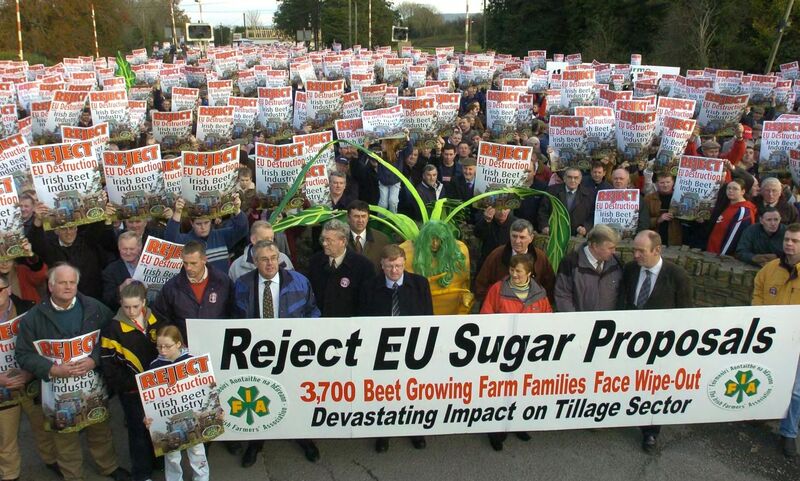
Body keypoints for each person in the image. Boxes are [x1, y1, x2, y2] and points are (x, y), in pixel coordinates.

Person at [15, 264, 131, 481]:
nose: (68, 287)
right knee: (64, 437)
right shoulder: (34, 318)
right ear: (50, 286)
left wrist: (93, 359)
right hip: (57, 393)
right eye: (62, 282)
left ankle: (108, 467)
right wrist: (51, 369)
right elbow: (22, 353)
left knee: (100, 430)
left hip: (93, 388)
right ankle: (73, 476)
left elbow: (112, 335)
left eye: (72, 282)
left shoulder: (94, 308)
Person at [233, 240, 320, 467]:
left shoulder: (300, 282)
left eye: (273, 258)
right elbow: (233, 319)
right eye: (264, 259)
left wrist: (305, 335)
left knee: (295, 395)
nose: (270, 263)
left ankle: (303, 437)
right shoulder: (242, 285)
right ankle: (256, 442)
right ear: (255, 261)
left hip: (292, 353)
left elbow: (313, 310)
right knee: (258, 395)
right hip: (256, 355)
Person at [619, 231, 693, 454]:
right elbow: (623, 301)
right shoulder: (630, 270)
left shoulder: (678, 276)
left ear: (657, 250)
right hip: (630, 339)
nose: (636, 255)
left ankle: (650, 431)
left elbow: (686, 313)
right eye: (634, 250)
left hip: (661, 345)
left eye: (641, 251)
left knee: (654, 388)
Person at [359, 245, 432, 452]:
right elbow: (363, 318)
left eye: (399, 266)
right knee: (384, 392)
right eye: (390, 267)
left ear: (404, 263)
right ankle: (383, 432)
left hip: (412, 347)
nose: (394, 271)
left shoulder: (420, 284)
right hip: (382, 348)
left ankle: (415, 428)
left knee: (412, 390)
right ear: (381, 265)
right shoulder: (370, 287)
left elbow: (428, 317)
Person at [480, 253, 552, 451]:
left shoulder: (540, 294)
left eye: (518, 271)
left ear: (529, 272)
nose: (514, 274)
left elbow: (548, 320)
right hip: (502, 351)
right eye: (511, 270)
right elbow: (486, 316)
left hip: (529, 353)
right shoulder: (497, 289)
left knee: (522, 390)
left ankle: (518, 424)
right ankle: (495, 430)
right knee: (499, 392)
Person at [100, 281, 165, 481]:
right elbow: (109, 367)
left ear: (144, 302)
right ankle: (141, 473)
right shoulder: (112, 329)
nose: (130, 310)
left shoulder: (157, 320)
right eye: (126, 306)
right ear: (120, 303)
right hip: (131, 392)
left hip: (158, 388)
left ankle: (158, 462)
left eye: (135, 306)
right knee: (138, 433)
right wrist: (132, 385)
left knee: (158, 427)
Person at [0, 273, 59, 481]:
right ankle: (10, 474)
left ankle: (52, 461)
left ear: (8, 289)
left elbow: (44, 344)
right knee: (5, 435)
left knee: (43, 426)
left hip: (30, 378)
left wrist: (30, 370)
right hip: (2, 386)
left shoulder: (28, 309)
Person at [751, 224, 800, 456]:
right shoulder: (770, 268)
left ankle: (788, 433)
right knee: (762, 376)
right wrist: (760, 315)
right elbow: (758, 290)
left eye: (795, 241)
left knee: (796, 391)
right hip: (769, 338)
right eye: (787, 239)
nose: (789, 244)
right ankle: (758, 413)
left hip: (797, 341)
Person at [146, 326, 209, 481]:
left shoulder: (192, 361)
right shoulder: (154, 366)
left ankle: (202, 478)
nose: (162, 350)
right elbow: (150, 398)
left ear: (179, 344)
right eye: (159, 346)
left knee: (197, 451)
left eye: (167, 346)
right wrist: (147, 416)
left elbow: (205, 388)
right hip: (169, 418)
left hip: (191, 415)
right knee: (171, 453)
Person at [28, 203, 118, 300]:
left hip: (91, 300)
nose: (69, 233)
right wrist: (37, 222)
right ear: (56, 231)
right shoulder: (50, 248)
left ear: (76, 229)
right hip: (62, 302)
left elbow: (96, 228)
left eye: (72, 228)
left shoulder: (88, 242)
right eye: (64, 229)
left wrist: (102, 211)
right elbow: (36, 242)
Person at [151, 241, 234, 344]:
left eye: (193, 263)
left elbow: (233, 314)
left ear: (204, 260)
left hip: (218, 343)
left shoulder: (223, 282)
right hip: (185, 348)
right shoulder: (171, 287)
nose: (188, 268)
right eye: (185, 263)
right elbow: (161, 319)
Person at [399, 221, 472, 315]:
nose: (434, 243)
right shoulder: (407, 252)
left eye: (439, 239)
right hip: (420, 310)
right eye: (431, 239)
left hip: (450, 310)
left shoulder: (460, 251)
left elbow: (465, 282)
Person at [474, 219, 555, 304]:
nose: (517, 241)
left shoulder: (540, 257)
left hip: (532, 309)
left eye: (522, 237)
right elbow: (481, 284)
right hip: (501, 309)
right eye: (514, 236)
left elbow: (549, 285)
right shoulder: (497, 255)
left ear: (531, 238)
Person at [306, 219, 375, 318]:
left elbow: (367, 304)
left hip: (350, 326)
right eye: (323, 239)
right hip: (320, 325)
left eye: (329, 240)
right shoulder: (315, 262)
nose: (324, 244)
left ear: (343, 241)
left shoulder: (363, 266)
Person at [163, 194, 248, 273]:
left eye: (206, 222)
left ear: (211, 221)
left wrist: (237, 209)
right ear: (192, 223)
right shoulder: (186, 240)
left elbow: (242, 229)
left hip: (223, 286)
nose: (203, 227)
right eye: (198, 224)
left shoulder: (221, 235)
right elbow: (171, 240)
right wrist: (177, 212)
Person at [554, 224, 623, 312]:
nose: (614, 252)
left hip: (608, 323)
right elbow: (562, 296)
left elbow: (621, 296)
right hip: (578, 323)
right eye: (610, 248)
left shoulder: (616, 264)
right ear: (594, 246)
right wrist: (573, 321)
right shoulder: (570, 264)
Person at [229, 221, 293, 282]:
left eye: (272, 238)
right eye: (266, 239)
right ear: (253, 240)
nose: (270, 242)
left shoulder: (283, 259)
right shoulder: (237, 266)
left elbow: (295, 286)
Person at [538, 168, 595, 236]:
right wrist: (545, 226)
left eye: (576, 178)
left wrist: (586, 227)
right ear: (564, 178)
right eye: (569, 177)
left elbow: (592, 215)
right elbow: (543, 211)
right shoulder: (551, 191)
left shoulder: (589, 194)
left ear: (580, 180)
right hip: (555, 233)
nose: (572, 180)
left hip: (577, 236)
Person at [707, 179, 756, 255]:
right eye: (729, 188)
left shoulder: (743, 211)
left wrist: (721, 258)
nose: (730, 191)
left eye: (735, 189)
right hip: (712, 252)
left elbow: (732, 239)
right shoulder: (730, 206)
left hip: (720, 257)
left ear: (743, 191)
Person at [101, 232, 143, 312]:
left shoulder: (150, 264)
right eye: (124, 249)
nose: (128, 253)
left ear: (139, 247)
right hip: (124, 317)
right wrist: (121, 288)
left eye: (131, 249)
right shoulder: (110, 270)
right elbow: (107, 300)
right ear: (119, 248)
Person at [346, 200, 390, 269]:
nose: (360, 220)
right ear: (348, 218)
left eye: (363, 216)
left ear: (368, 218)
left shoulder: (382, 240)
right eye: (356, 216)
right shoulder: (339, 238)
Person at [644, 172, 682, 246]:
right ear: (656, 183)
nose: (665, 185)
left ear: (673, 182)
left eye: (668, 182)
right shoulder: (648, 199)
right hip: (655, 237)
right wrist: (658, 219)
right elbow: (643, 221)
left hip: (675, 237)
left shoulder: (680, 198)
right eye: (662, 182)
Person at [609, 167, 651, 232]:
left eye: (621, 178)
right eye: (615, 178)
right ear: (612, 180)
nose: (618, 181)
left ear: (628, 180)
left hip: (630, 239)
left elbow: (644, 221)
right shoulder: (603, 196)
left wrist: (635, 237)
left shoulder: (638, 198)